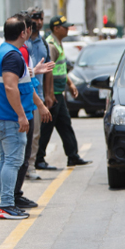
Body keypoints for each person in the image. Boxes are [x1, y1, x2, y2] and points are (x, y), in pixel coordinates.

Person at [0, 14, 51, 219]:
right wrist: (22, 116)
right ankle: (6, 204)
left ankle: (6, 202)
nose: (30, 31)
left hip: (1, 115)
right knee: (13, 161)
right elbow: (10, 86)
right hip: (8, 117)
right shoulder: (13, 55)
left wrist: (34, 71)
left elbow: (19, 80)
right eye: (28, 28)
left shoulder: (7, 52)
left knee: (7, 159)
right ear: (23, 33)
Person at [36, 15, 91, 169]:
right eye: (64, 27)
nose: (67, 29)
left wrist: (71, 84)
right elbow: (48, 72)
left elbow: (60, 69)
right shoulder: (51, 45)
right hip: (54, 94)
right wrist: (50, 94)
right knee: (47, 126)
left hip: (59, 91)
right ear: (56, 28)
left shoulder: (58, 43)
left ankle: (72, 155)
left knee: (64, 124)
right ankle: (39, 158)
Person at [24, 7, 54, 179]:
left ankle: (30, 167)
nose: (39, 22)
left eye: (41, 19)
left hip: (38, 94)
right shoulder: (23, 41)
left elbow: (48, 69)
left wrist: (48, 94)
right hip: (24, 95)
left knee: (36, 134)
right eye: (35, 18)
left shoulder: (43, 43)